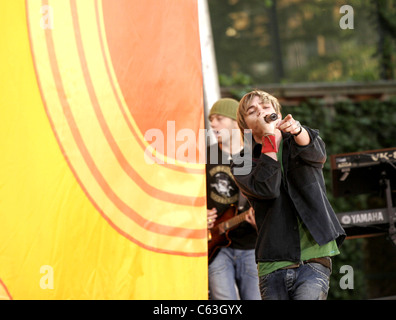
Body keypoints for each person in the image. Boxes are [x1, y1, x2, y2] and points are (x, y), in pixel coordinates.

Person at [230, 90, 346, 300]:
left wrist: (298, 129)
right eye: (252, 110)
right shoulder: (241, 162)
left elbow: (317, 153)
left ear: (276, 112)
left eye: (265, 107)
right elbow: (267, 189)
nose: (261, 112)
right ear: (244, 123)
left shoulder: (296, 140)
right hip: (273, 260)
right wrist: (269, 140)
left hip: (313, 258)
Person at [206, 98, 261, 300]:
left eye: (219, 118)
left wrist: (261, 222)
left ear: (235, 122)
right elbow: (191, 195)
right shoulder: (206, 155)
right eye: (211, 119)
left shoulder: (255, 156)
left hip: (251, 247)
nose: (213, 124)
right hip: (216, 247)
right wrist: (197, 213)